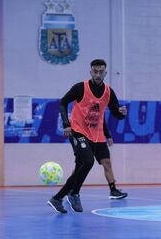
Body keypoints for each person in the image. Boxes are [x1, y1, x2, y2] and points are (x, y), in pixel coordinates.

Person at [48, 59, 127, 213]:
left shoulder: (109, 93)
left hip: (97, 136)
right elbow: (63, 102)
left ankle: (58, 198)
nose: (98, 74)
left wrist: (122, 113)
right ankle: (74, 194)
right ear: (90, 72)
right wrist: (66, 124)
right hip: (78, 131)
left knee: (83, 165)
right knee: (88, 161)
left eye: (101, 72)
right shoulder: (80, 88)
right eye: (95, 71)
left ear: (105, 73)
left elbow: (117, 113)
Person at [103, 124, 128, 200]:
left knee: (107, 162)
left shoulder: (101, 111)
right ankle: (71, 188)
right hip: (85, 136)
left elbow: (102, 121)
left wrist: (107, 136)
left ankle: (113, 190)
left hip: (98, 138)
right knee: (84, 163)